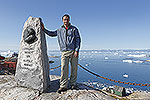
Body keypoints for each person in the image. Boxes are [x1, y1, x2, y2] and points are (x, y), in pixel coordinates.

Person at [41, 14, 81, 93]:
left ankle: (73, 84)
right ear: (62, 20)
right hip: (64, 52)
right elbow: (51, 33)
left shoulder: (74, 29)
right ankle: (63, 86)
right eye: (64, 19)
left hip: (73, 51)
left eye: (67, 19)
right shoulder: (59, 30)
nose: (66, 21)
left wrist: (76, 50)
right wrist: (44, 29)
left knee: (74, 68)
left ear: (69, 20)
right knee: (63, 69)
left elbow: (78, 40)